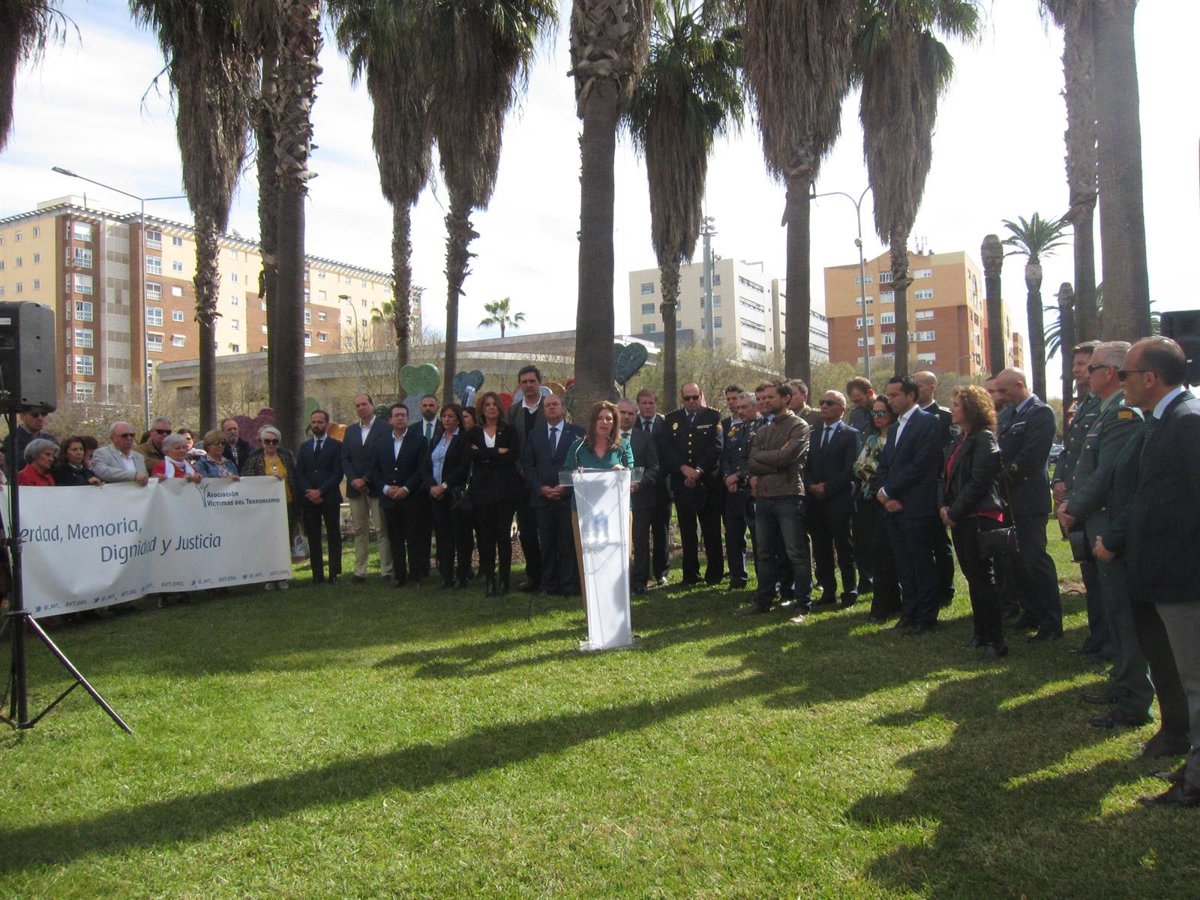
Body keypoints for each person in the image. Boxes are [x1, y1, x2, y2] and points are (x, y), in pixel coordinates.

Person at [1119, 337, 1200, 808]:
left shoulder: (1187, 421)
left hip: (1185, 577)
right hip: (1166, 573)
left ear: (1149, 378)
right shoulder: (1166, 419)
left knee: (1196, 681)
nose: (1122, 382)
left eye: (1126, 374)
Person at [1056, 342, 1154, 730]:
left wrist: (1074, 506)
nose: (1084, 374)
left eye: (1092, 367)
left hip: (1111, 524)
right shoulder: (1103, 411)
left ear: (1109, 372)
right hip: (1099, 522)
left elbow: (1108, 473)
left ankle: (1134, 699)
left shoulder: (1123, 414)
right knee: (1113, 610)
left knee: (1124, 615)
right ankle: (1123, 683)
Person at [940, 385, 1007, 660]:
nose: (952, 409)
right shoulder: (961, 439)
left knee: (983, 578)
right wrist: (944, 507)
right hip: (961, 518)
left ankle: (995, 640)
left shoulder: (983, 438)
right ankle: (980, 634)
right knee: (973, 577)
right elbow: (946, 478)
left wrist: (954, 511)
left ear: (972, 408)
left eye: (957, 404)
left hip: (978, 517)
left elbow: (979, 481)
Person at [995, 367, 1062, 641]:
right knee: (1016, 561)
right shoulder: (1008, 415)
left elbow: (1032, 456)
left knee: (1034, 560)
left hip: (1028, 498)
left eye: (1004, 390)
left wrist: (1000, 477)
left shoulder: (1040, 413)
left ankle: (1051, 621)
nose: (1000, 395)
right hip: (1008, 500)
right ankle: (1030, 611)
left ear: (1020, 385)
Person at [1051, 341, 1108, 658]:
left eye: (1083, 364)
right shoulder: (1084, 403)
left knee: (1103, 577)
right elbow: (1070, 451)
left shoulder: (1108, 405)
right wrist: (1058, 480)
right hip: (1075, 497)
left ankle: (1109, 641)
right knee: (1089, 573)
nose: (1076, 370)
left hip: (1093, 503)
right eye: (1074, 364)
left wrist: (1076, 497)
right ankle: (1097, 636)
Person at [876, 374, 942, 635]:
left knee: (921, 562)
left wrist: (890, 491)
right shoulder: (895, 428)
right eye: (888, 395)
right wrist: (886, 495)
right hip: (893, 506)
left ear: (911, 396)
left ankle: (926, 617)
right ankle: (909, 612)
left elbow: (921, 465)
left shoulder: (928, 422)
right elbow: (885, 465)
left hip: (916, 505)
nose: (890, 400)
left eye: (894, 395)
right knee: (904, 563)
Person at [738, 380, 810, 618]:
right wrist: (775, 461)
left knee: (796, 553)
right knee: (764, 553)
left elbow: (787, 458)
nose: (764, 402)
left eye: (769, 397)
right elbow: (752, 462)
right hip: (764, 497)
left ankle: (803, 604)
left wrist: (767, 459)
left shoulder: (799, 426)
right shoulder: (763, 430)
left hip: (789, 496)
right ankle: (763, 601)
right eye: (761, 399)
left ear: (786, 398)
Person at [522, 394, 584, 597]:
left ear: (563, 408)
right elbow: (529, 465)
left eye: (555, 404)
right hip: (543, 498)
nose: (551, 407)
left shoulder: (577, 433)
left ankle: (568, 584)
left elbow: (581, 464)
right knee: (547, 543)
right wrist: (540, 488)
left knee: (567, 542)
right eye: (547, 405)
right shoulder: (535, 435)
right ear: (543, 410)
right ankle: (548, 584)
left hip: (568, 497)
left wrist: (565, 486)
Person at [664, 382, 724, 586]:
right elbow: (668, 449)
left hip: (707, 482)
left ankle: (714, 574)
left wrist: (698, 471)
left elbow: (716, 447)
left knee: (711, 530)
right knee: (687, 530)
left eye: (695, 397)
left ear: (701, 395)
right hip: (682, 482)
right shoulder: (672, 419)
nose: (691, 401)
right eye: (687, 398)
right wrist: (683, 469)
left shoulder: (713, 416)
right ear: (682, 399)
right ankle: (690, 574)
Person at [805, 390, 861, 608]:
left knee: (843, 546)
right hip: (815, 500)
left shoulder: (850, 434)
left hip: (839, 498)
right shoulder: (813, 433)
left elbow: (851, 468)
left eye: (830, 403)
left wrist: (828, 487)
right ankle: (828, 591)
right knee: (821, 547)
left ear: (842, 409)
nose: (824, 406)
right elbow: (806, 464)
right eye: (822, 402)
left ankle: (850, 591)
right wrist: (811, 485)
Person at [467, 391, 523, 596]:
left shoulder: (509, 430)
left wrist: (485, 455)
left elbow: (512, 455)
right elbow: (472, 455)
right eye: (487, 404)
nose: (491, 407)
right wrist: (498, 452)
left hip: (506, 492)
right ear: (481, 409)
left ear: (499, 407)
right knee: (486, 538)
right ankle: (489, 580)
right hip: (482, 493)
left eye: (494, 404)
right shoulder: (473, 432)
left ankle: (504, 581)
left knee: (503, 537)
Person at [854, 397, 901, 621]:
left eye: (881, 412)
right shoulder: (872, 438)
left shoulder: (897, 437)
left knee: (887, 553)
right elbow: (858, 466)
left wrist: (871, 469)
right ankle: (884, 601)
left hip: (888, 499)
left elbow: (884, 468)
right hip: (867, 499)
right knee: (872, 550)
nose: (877, 417)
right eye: (874, 413)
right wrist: (871, 469)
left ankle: (890, 603)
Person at [341, 393, 394, 585]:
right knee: (359, 530)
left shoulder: (385, 428)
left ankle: (386, 570)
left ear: (372, 405)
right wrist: (354, 479)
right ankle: (360, 571)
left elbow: (383, 456)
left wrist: (366, 478)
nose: (361, 408)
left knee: (382, 529)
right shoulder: (350, 431)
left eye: (364, 404)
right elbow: (345, 457)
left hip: (376, 486)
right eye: (357, 405)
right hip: (355, 488)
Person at [915, 370, 956, 610]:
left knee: (940, 541)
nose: (916, 389)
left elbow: (948, 453)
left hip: (937, 487)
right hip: (916, 489)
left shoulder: (945, 417)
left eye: (920, 385)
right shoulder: (908, 417)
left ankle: (945, 588)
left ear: (932, 387)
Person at [372, 403, 424, 589]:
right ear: (390, 420)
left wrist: (407, 488)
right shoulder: (381, 442)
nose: (400, 418)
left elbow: (421, 468)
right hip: (390, 500)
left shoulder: (419, 440)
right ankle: (399, 576)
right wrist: (386, 489)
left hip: (411, 498)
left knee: (413, 538)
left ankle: (415, 576)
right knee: (395, 539)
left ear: (408, 418)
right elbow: (374, 470)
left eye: (403, 415)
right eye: (396, 415)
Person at [423, 403, 473, 589]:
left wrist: (444, 486)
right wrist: (431, 486)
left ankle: (462, 575)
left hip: (454, 494)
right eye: (444, 416)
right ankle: (446, 575)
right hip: (436, 495)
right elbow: (426, 465)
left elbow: (463, 467)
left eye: (450, 416)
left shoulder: (463, 440)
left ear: (458, 419)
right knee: (443, 536)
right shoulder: (437, 438)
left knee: (460, 536)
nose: (446, 419)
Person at [244, 425, 299, 590]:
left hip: (287, 505)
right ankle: (268, 576)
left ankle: (282, 575)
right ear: (261, 442)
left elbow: (295, 478)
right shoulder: (254, 459)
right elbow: (247, 482)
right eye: (267, 441)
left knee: (284, 541)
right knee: (267, 542)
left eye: (274, 441)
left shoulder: (286, 457)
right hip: (264, 509)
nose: (271, 444)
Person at [508, 365, 547, 592]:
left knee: (548, 530)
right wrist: (523, 472)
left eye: (532, 381)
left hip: (547, 480)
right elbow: (512, 446)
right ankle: (533, 576)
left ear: (540, 382)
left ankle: (551, 574)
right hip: (522, 481)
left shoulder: (551, 407)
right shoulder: (513, 412)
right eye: (524, 382)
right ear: (520, 385)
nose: (529, 385)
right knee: (528, 530)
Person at [617, 398, 661, 595]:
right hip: (613, 500)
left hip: (640, 498)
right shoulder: (607, 436)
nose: (627, 417)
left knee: (640, 541)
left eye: (631, 413)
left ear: (636, 416)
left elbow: (654, 467)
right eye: (623, 412)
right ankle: (619, 580)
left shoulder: (645, 437)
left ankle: (640, 581)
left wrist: (639, 484)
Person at [296, 410, 344, 585]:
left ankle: (334, 573)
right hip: (309, 499)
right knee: (313, 536)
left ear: (326, 424)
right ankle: (317, 574)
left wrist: (321, 491)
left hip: (329, 497)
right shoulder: (304, 447)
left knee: (333, 535)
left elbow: (338, 473)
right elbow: (299, 473)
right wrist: (310, 492)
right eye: (314, 422)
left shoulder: (336, 446)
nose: (316, 425)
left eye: (320, 422)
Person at [720, 392, 757, 591]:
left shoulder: (762, 428)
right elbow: (726, 456)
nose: (740, 411)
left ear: (755, 407)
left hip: (753, 492)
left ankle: (765, 582)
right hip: (733, 491)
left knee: (759, 540)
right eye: (739, 407)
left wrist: (739, 476)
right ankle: (737, 578)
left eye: (745, 407)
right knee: (733, 537)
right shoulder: (734, 430)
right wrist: (728, 477)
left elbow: (755, 458)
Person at [636, 388, 671, 586]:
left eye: (651, 403)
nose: (648, 407)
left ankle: (661, 572)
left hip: (661, 487)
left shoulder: (665, 425)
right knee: (640, 534)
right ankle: (641, 572)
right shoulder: (631, 424)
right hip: (638, 488)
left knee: (661, 531)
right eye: (644, 403)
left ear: (656, 404)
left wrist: (656, 475)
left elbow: (670, 454)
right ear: (638, 405)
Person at [846, 376, 878, 596]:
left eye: (859, 399)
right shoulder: (855, 415)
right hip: (859, 480)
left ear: (870, 393)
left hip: (877, 478)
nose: (856, 404)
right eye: (853, 401)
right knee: (860, 534)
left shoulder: (882, 410)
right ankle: (865, 578)